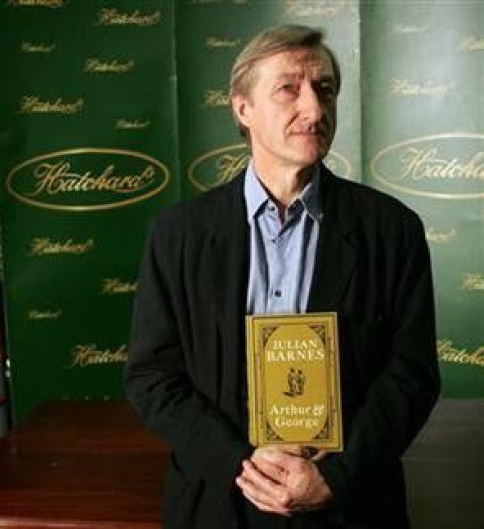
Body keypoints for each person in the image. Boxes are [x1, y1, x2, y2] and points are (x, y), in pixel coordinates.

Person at [124, 25, 440, 528]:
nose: (314, 109)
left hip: (350, 507)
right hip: (220, 504)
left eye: (325, 89)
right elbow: (152, 377)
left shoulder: (392, 230)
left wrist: (338, 475)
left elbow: (411, 376)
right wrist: (241, 465)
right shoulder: (178, 234)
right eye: (289, 88)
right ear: (242, 108)